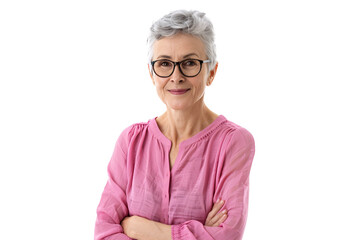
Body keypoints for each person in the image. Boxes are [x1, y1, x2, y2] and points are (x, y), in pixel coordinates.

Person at [94, 10, 255, 240]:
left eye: (190, 63)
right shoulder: (131, 141)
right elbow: (104, 232)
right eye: (164, 63)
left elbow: (226, 235)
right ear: (152, 74)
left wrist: (142, 229)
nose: (176, 76)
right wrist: (198, 232)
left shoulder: (234, 142)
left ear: (211, 72)